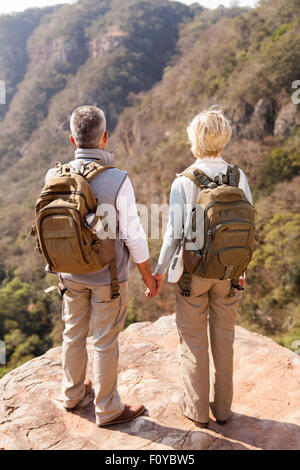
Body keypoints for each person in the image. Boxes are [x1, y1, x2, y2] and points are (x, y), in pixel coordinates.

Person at [45, 105, 157, 427]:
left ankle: (72, 393)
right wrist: (148, 276)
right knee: (105, 340)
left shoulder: (54, 177)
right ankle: (107, 409)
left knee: (73, 333)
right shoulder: (118, 180)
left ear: (72, 139)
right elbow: (134, 235)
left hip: (68, 274)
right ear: (105, 138)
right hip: (108, 278)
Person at [153, 107, 253, 428]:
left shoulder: (184, 182)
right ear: (224, 138)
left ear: (194, 139)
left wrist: (157, 271)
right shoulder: (239, 177)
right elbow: (247, 225)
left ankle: (197, 412)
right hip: (228, 271)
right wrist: (241, 266)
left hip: (193, 276)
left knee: (194, 343)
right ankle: (223, 410)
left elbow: (173, 234)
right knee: (224, 340)